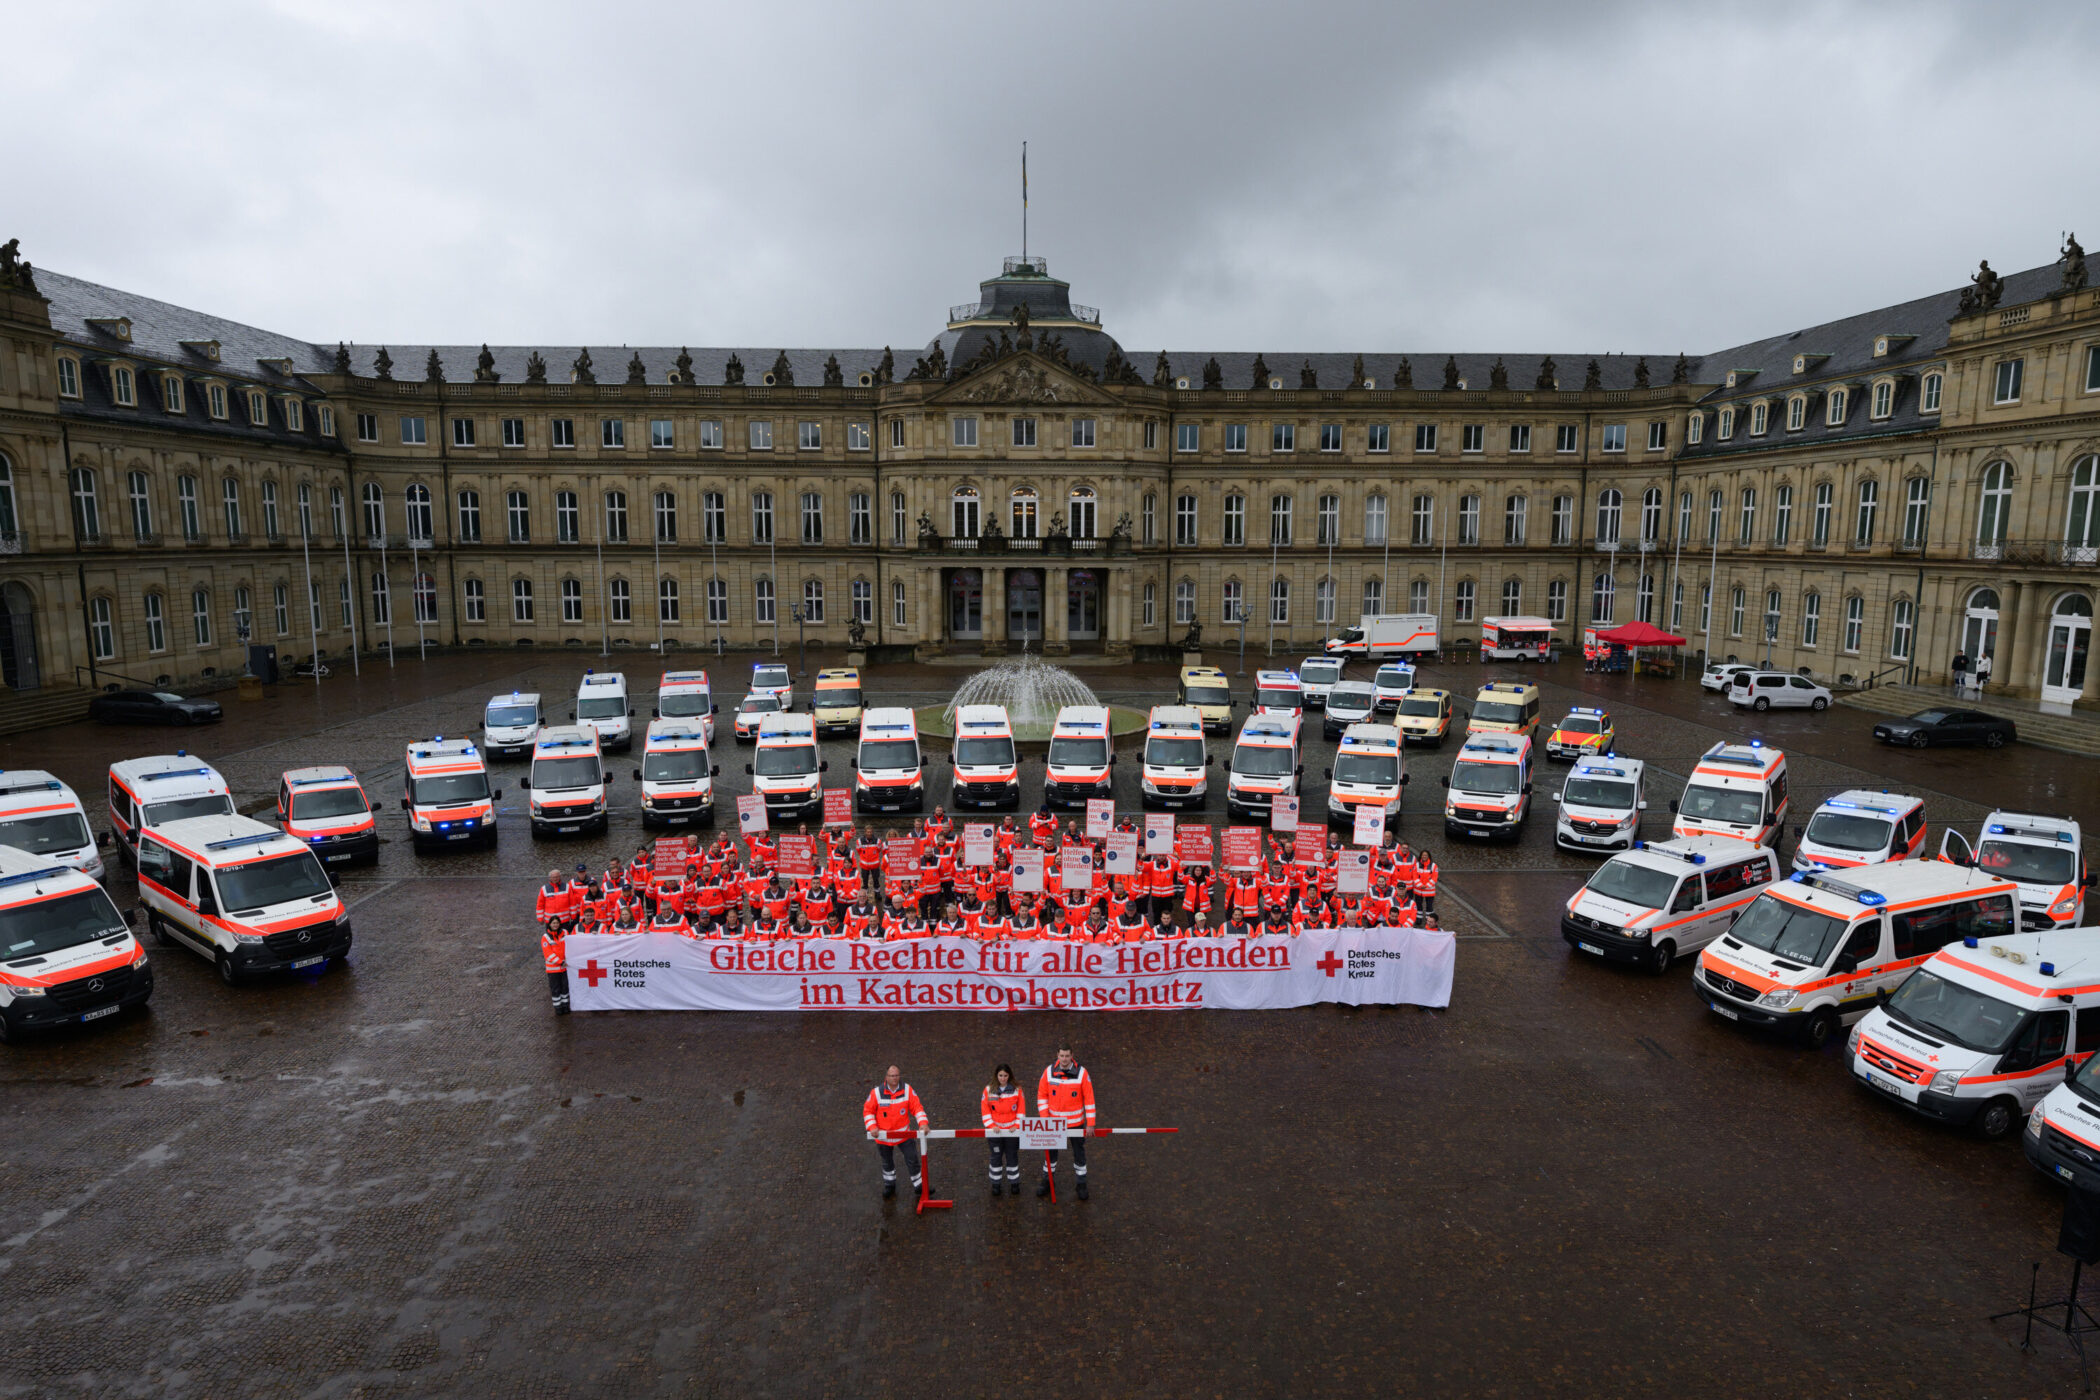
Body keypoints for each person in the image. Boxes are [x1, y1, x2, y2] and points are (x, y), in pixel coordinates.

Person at [1037, 1044, 1097, 1200]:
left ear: (1072, 1056)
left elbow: (1089, 1099)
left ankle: (1081, 1184)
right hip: (1054, 1123)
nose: (1064, 1059)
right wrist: (1045, 1119)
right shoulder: (1048, 1072)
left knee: (1079, 1154)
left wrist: (1091, 1123)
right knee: (1050, 1155)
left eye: (1067, 1056)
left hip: (1076, 1123)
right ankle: (1047, 1180)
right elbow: (1042, 1096)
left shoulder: (1082, 1074)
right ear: (1057, 1055)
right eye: (1061, 1056)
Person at [863, 1065, 930, 1200]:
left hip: (904, 1135)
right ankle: (890, 1185)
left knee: (912, 1159)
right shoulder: (876, 1093)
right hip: (883, 1136)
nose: (894, 1078)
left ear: (900, 1076)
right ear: (886, 1077)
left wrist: (923, 1123)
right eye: (892, 1076)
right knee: (887, 1162)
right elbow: (868, 1111)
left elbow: (917, 1107)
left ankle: (919, 1186)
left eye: (897, 1075)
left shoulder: (907, 1090)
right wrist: (872, 1127)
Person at [982, 1064, 1025, 1196]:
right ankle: (996, 1184)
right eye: (1000, 1075)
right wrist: (991, 1126)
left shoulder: (1017, 1090)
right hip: (995, 1132)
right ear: (996, 1076)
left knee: (1012, 1156)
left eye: (1005, 1075)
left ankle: (1014, 1183)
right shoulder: (988, 1090)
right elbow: (985, 1111)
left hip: (1012, 1132)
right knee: (996, 1157)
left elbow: (1021, 1110)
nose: (1003, 1078)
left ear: (1009, 1076)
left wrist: (1017, 1125)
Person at [542, 916, 571, 1014]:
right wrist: (561, 962)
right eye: (553, 923)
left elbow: (571, 944)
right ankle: (558, 1007)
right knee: (555, 989)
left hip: (564, 968)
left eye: (557, 923)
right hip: (553, 969)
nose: (555, 925)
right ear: (549, 924)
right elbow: (548, 954)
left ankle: (566, 1006)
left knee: (565, 987)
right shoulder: (545, 937)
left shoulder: (565, 933)